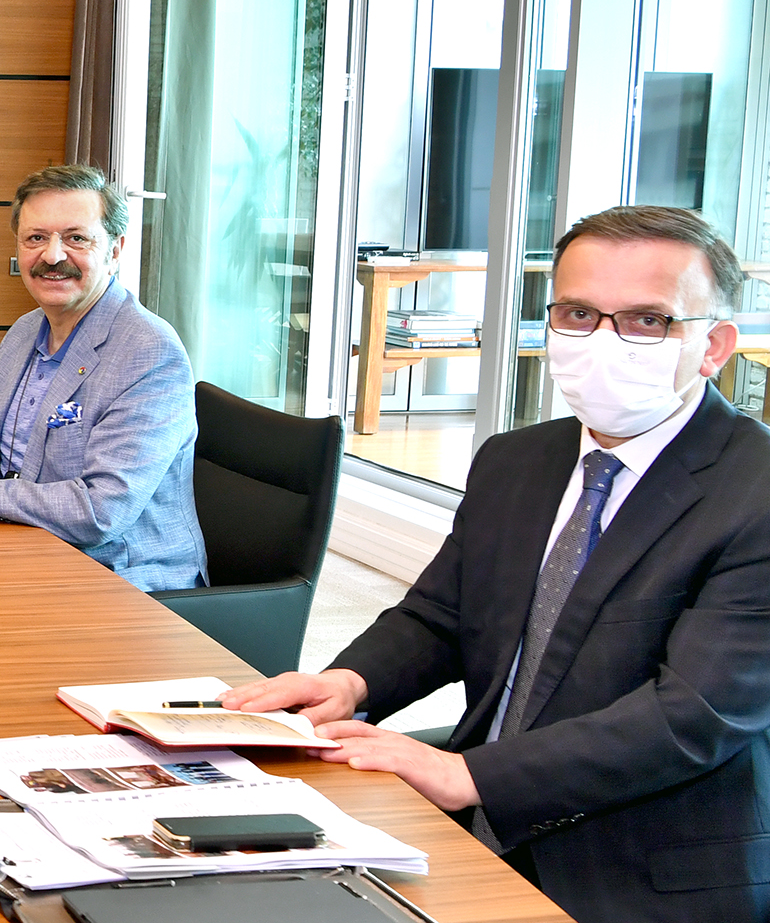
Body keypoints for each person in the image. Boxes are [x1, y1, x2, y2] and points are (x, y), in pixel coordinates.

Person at [225, 206, 770, 923]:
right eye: (579, 314)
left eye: (646, 321)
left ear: (713, 346)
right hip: (473, 827)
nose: (603, 341)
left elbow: (693, 717)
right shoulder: (517, 459)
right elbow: (441, 615)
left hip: (645, 867)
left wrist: (467, 774)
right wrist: (349, 682)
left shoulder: (755, 490)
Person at [0, 165, 204, 592]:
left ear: (115, 250)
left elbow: (100, 511)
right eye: (36, 238)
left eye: (76, 238)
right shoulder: (26, 330)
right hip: (22, 549)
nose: (52, 255)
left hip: (118, 580)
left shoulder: (148, 351)